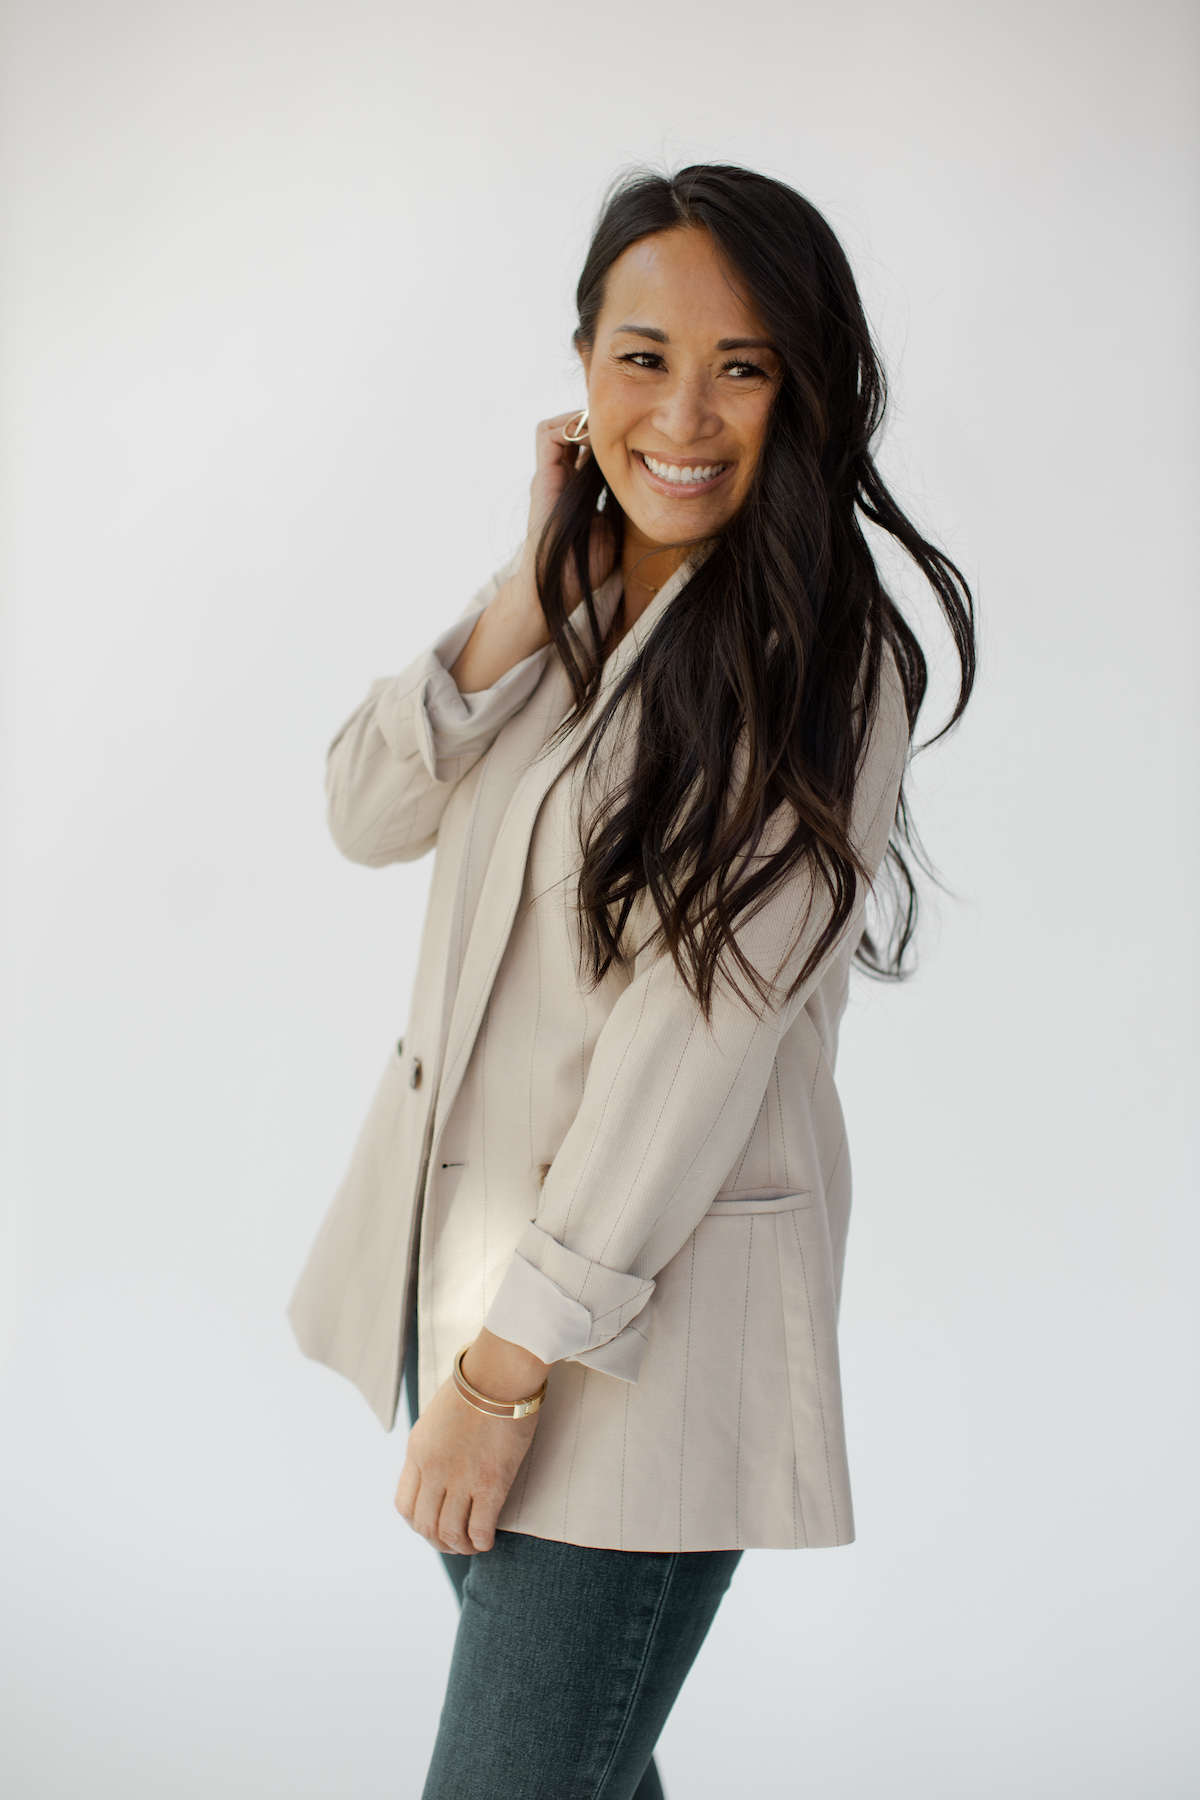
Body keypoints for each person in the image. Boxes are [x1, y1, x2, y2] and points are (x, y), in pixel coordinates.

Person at [288, 163, 975, 1798]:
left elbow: (689, 1055)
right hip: (466, 1297)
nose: (685, 415)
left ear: (806, 390)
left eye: (744, 367)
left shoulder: (820, 658)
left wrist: (498, 1383)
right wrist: (529, 581)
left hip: (617, 1348)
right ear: (583, 365)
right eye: (643, 357)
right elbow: (364, 811)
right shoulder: (575, 594)